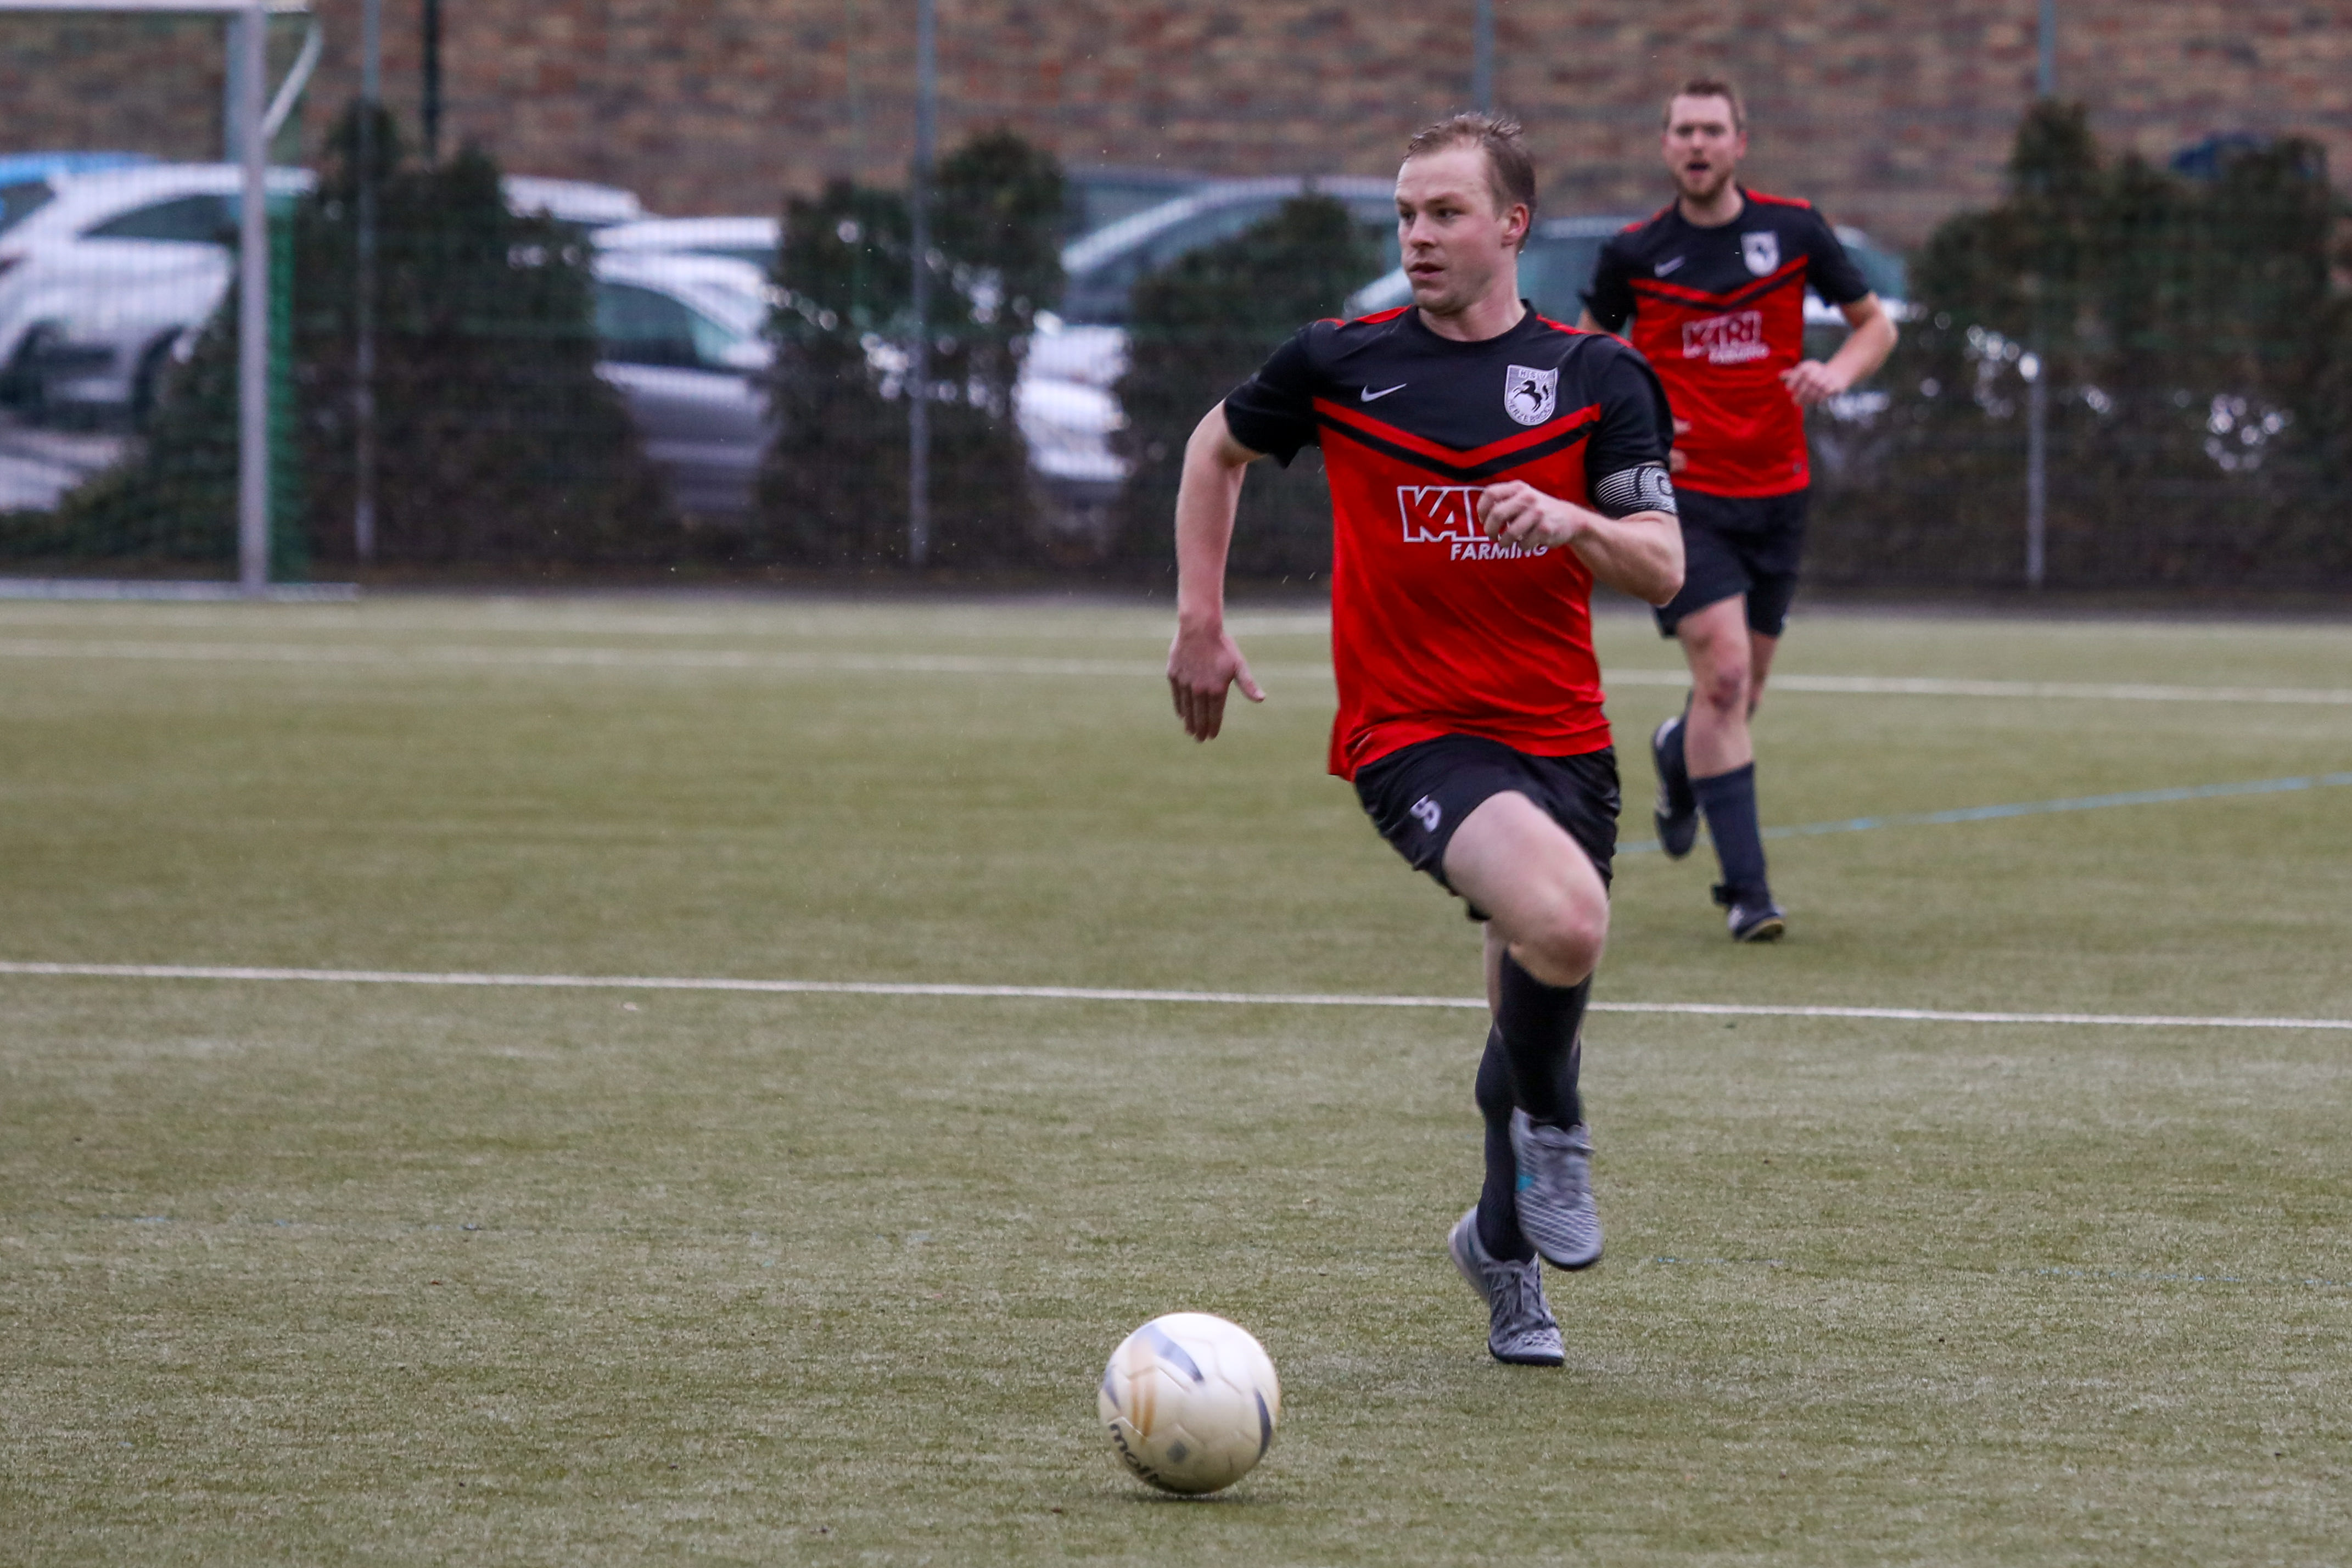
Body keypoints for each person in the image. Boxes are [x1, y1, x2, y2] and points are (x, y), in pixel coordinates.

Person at [1164, 114, 1684, 1366]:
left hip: (1565, 745)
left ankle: (1501, 1251)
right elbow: (1214, 449)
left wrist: (1570, 521)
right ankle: (1559, 1131)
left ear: (1512, 226)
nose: (1418, 236)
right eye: (1405, 214)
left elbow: (1663, 565)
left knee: (1533, 993)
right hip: (1413, 735)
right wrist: (1200, 621)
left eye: (1445, 213)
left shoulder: (1597, 377)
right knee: (1567, 924)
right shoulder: (1340, 362)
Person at [1578, 77, 1897, 942]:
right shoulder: (1635, 253)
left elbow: (1875, 327)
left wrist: (1836, 372)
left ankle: (1676, 753)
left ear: (1740, 143)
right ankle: (1750, 895)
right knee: (1722, 675)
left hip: (1779, 494)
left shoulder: (1793, 231)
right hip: (1682, 502)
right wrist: (1632, 441)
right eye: (1683, 130)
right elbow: (1587, 362)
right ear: (1664, 144)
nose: (1697, 144)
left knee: (1740, 695)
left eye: (1712, 130)